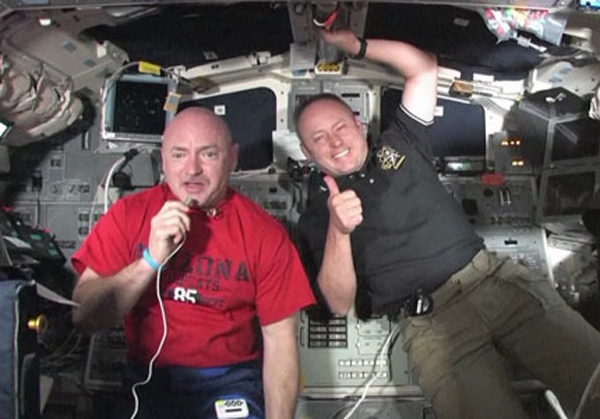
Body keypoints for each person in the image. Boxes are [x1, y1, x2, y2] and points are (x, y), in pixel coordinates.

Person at [296, 30, 600, 419]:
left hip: (494, 282)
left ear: (358, 123)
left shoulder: (400, 142)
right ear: (307, 152)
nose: (334, 141)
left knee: (594, 381)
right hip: (434, 325)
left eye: (339, 126)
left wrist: (359, 47)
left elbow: (423, 68)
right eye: (318, 138)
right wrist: (339, 232)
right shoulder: (318, 213)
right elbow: (338, 303)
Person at [71, 107, 315, 419]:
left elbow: (281, 344)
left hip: (229, 382)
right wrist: (150, 261)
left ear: (232, 157)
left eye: (208, 154)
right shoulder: (128, 216)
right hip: (149, 381)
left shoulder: (264, 234)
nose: (192, 169)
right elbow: (84, 317)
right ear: (163, 159)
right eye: (179, 154)